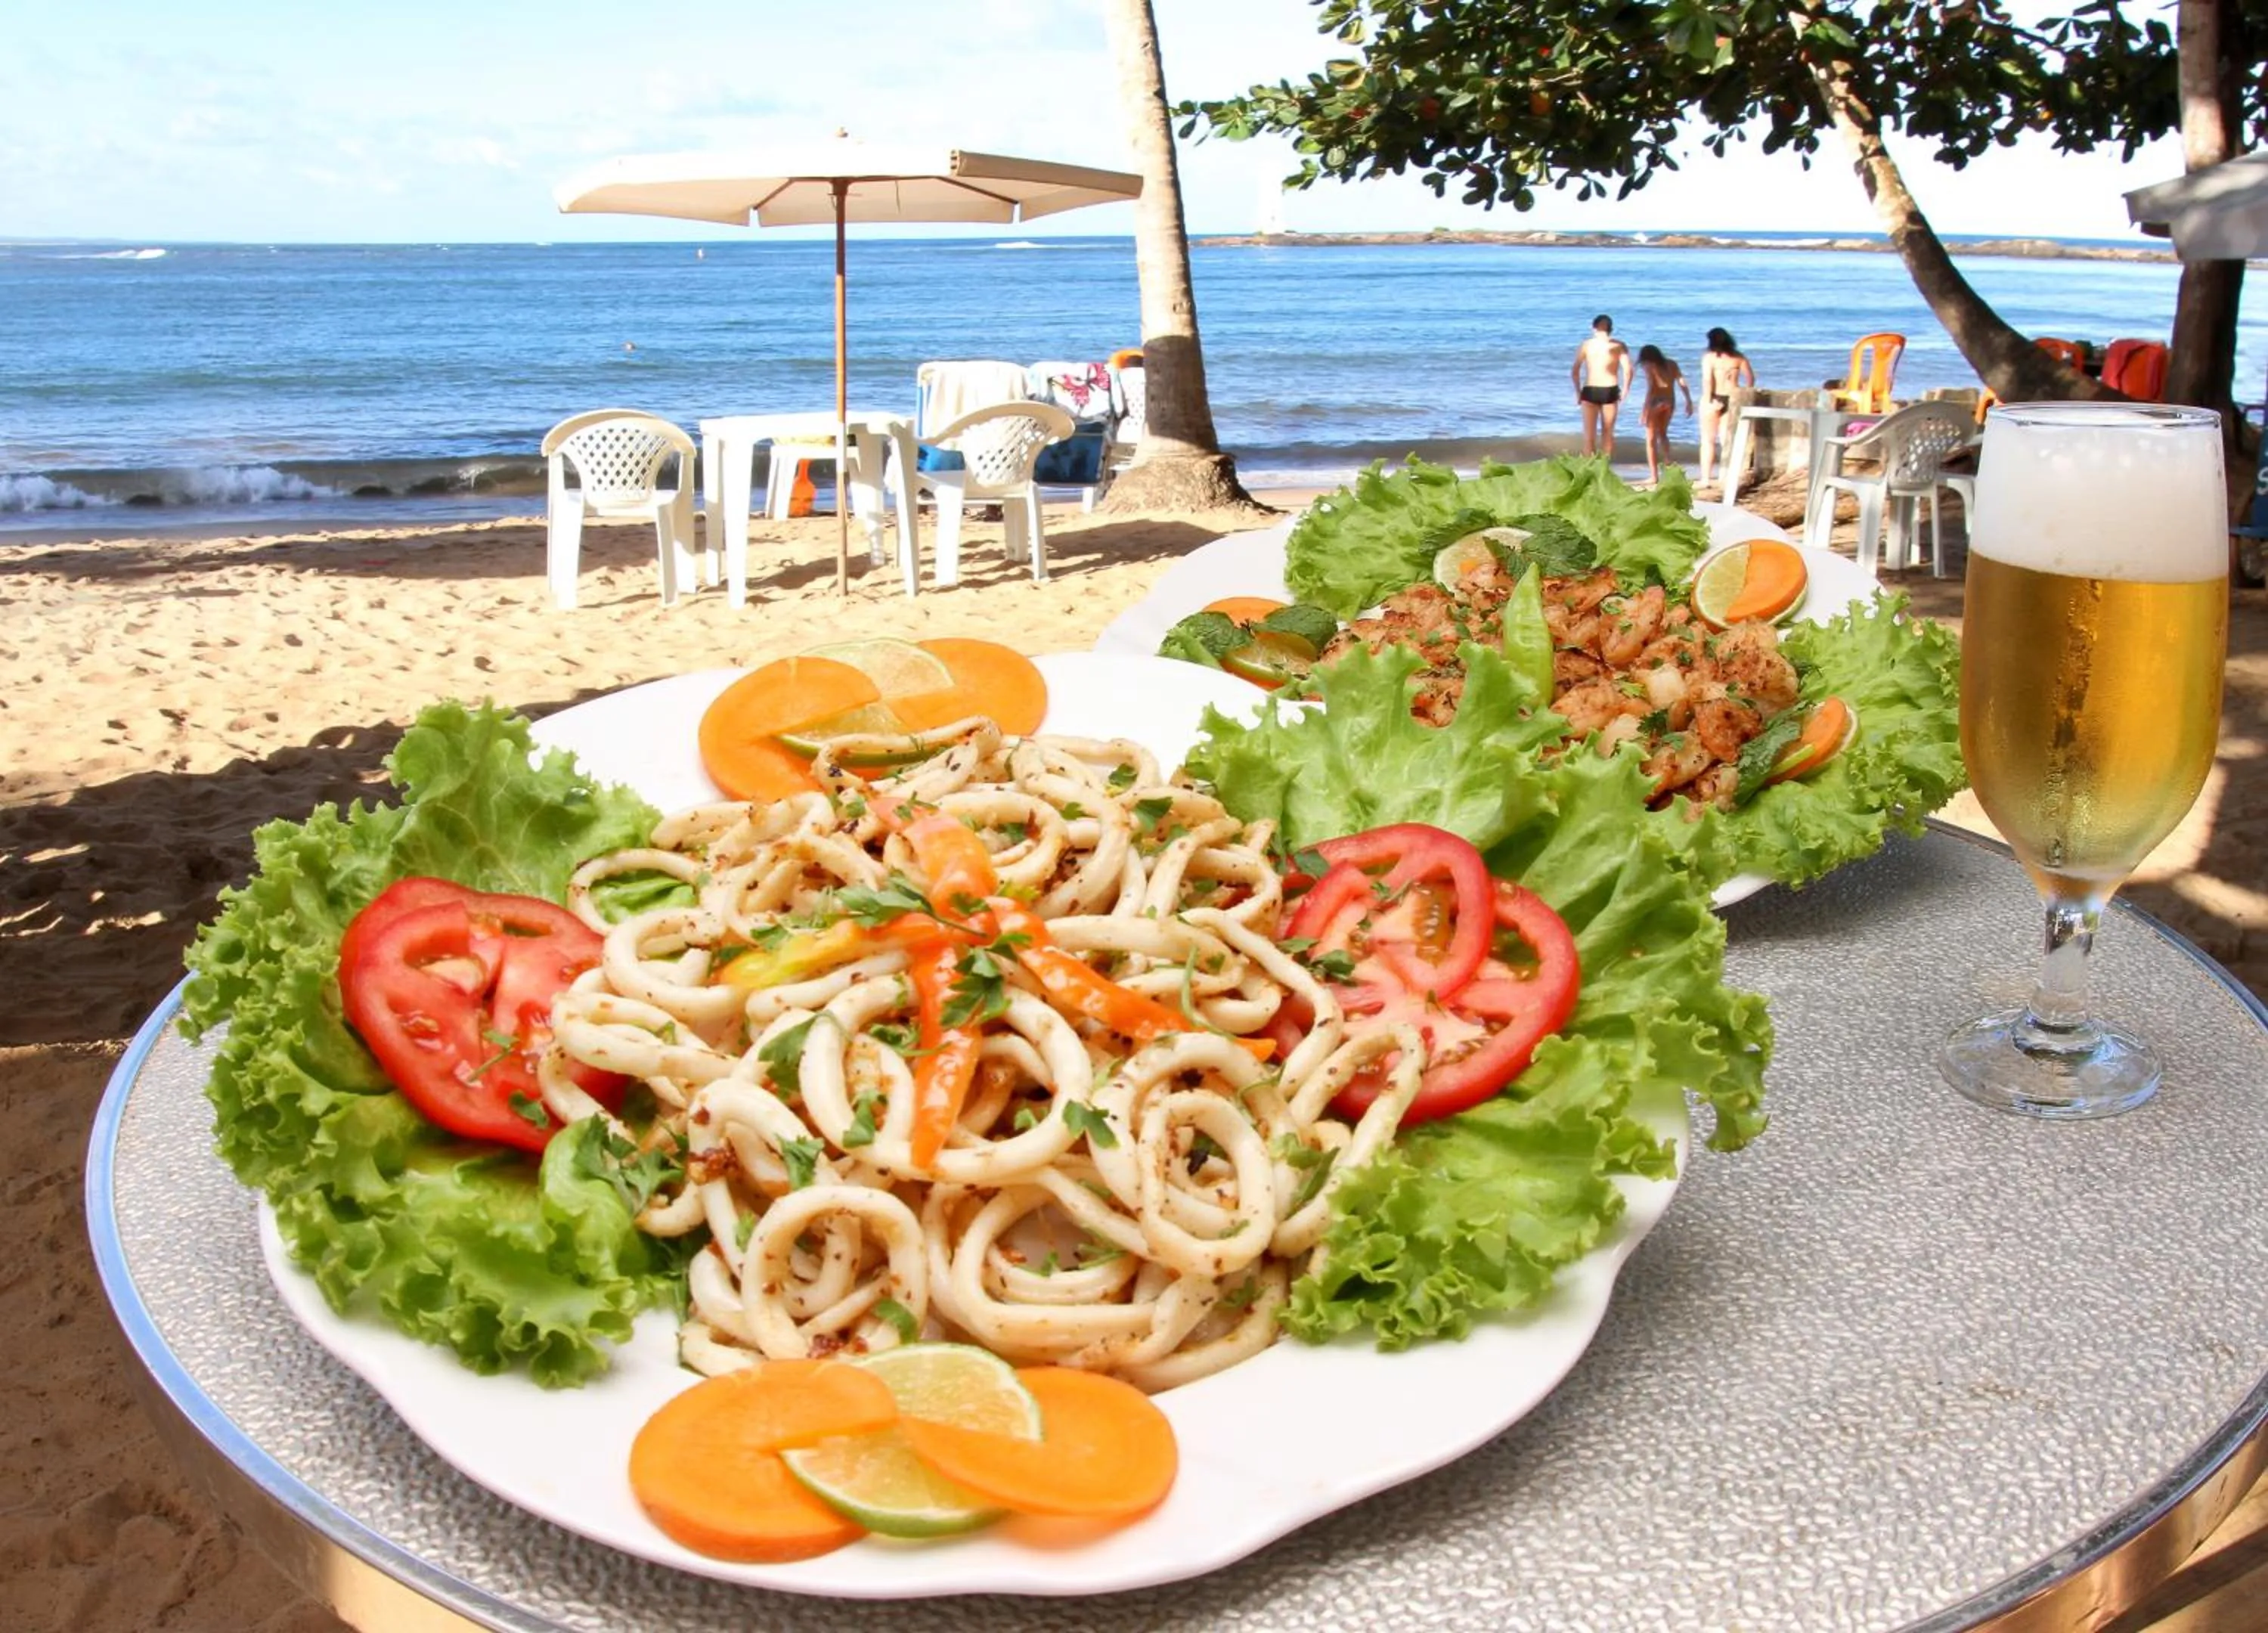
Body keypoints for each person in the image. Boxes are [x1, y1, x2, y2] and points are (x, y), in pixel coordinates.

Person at [1697, 327, 1756, 488]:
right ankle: (1726, 476)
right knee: (1726, 440)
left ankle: (1706, 479)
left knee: (1708, 441)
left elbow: (1707, 381)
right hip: (1732, 398)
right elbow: (1750, 379)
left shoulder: (1710, 357)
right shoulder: (1738, 357)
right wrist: (1743, 394)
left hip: (1714, 397)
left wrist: (1708, 401)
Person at [1571, 315, 1633, 457]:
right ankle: (1605, 465)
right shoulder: (1619, 345)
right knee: (1608, 433)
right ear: (1611, 329)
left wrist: (1578, 392)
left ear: (1594, 328)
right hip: (1610, 389)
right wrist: (1625, 390)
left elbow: (1575, 371)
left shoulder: (1586, 345)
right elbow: (1628, 371)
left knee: (1589, 436)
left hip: (1590, 390)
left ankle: (1588, 466)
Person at [1635, 345, 1693, 487]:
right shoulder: (1672, 364)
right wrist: (1688, 400)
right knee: (1663, 434)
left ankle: (1654, 476)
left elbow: (1651, 388)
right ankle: (1668, 464)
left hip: (1655, 402)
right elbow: (1682, 382)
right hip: (1669, 402)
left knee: (1650, 440)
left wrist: (1644, 411)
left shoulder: (1650, 366)